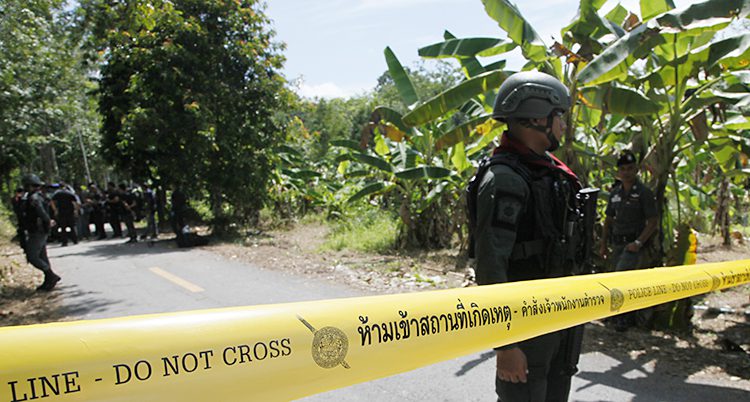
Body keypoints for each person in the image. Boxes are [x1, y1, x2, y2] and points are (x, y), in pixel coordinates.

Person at [470, 71, 588, 401]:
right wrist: (506, 344)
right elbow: (492, 267)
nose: (563, 124)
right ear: (536, 117)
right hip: (524, 325)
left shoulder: (547, 171)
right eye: (558, 116)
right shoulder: (505, 179)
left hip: (557, 315)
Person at [599, 150, 658, 330]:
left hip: (632, 245)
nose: (626, 172)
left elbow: (653, 221)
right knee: (615, 279)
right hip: (616, 243)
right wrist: (603, 244)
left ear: (636, 170)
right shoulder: (615, 193)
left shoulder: (643, 193)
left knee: (622, 278)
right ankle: (615, 316)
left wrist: (638, 243)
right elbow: (608, 220)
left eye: (630, 168)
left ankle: (625, 318)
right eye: (623, 169)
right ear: (618, 171)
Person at [19, 174, 61, 291]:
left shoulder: (34, 197)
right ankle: (49, 280)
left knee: (32, 256)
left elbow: (40, 211)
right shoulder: (38, 196)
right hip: (40, 229)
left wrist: (47, 220)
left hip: (37, 230)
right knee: (42, 256)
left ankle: (51, 276)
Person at [51, 181, 80, 246]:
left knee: (63, 227)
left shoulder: (57, 194)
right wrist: (76, 211)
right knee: (72, 226)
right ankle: (75, 240)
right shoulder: (70, 193)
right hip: (70, 212)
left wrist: (55, 210)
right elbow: (75, 203)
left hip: (61, 212)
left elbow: (52, 201)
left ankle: (64, 242)